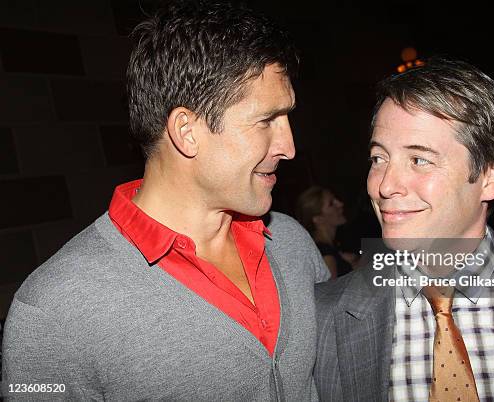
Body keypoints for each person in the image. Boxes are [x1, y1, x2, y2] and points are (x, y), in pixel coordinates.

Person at [2, 2, 329, 400]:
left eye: (288, 119)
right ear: (187, 132)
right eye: (266, 121)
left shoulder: (291, 242)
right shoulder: (54, 311)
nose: (289, 146)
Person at [314, 58, 494, 401]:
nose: (384, 185)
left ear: (491, 175)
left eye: (419, 159)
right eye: (379, 158)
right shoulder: (324, 320)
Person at [296, 186, 357, 278]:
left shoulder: (330, 247)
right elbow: (334, 291)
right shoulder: (325, 255)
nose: (340, 204)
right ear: (318, 219)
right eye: (331, 204)